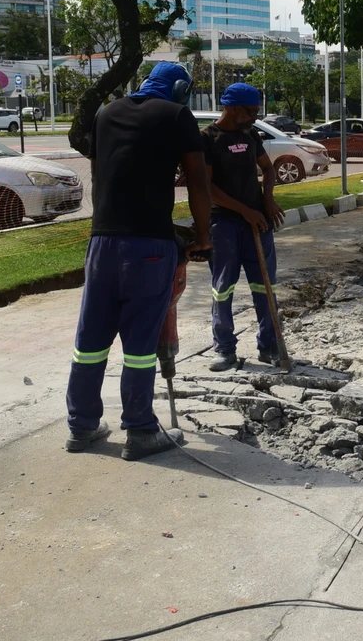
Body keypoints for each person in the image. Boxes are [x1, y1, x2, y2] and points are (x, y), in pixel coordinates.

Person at [65, 62, 212, 459]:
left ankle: (82, 426)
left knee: (91, 339)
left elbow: (99, 177)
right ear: (180, 89)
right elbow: (198, 180)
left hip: (102, 242)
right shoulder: (177, 114)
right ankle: (142, 430)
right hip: (149, 245)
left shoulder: (106, 113)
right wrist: (203, 236)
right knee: (140, 344)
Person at [203, 83, 286, 372]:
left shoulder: (250, 134)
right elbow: (208, 188)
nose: (254, 117)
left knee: (264, 286)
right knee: (223, 288)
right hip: (224, 225)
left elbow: (268, 168)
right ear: (233, 108)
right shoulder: (209, 139)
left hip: (257, 222)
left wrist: (267, 198)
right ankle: (224, 349)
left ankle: (269, 345)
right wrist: (244, 212)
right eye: (250, 112)